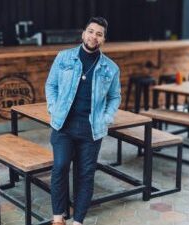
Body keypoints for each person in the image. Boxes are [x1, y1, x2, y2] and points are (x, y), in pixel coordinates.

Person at [45, 16, 121, 225]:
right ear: (83, 34)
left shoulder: (110, 68)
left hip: (92, 130)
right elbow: (50, 85)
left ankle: (78, 221)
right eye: (90, 31)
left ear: (104, 39)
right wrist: (53, 108)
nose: (93, 36)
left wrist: (107, 117)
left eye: (99, 33)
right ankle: (58, 218)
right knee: (60, 167)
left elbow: (115, 96)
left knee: (85, 175)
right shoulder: (64, 57)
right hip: (64, 126)